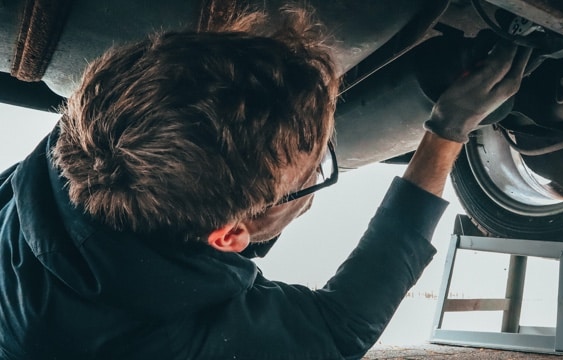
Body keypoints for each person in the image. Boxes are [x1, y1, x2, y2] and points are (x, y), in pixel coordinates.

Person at [0, 7, 531, 360]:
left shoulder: (98, 129)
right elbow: (341, 327)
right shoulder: (166, 342)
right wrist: (445, 133)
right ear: (228, 236)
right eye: (314, 172)